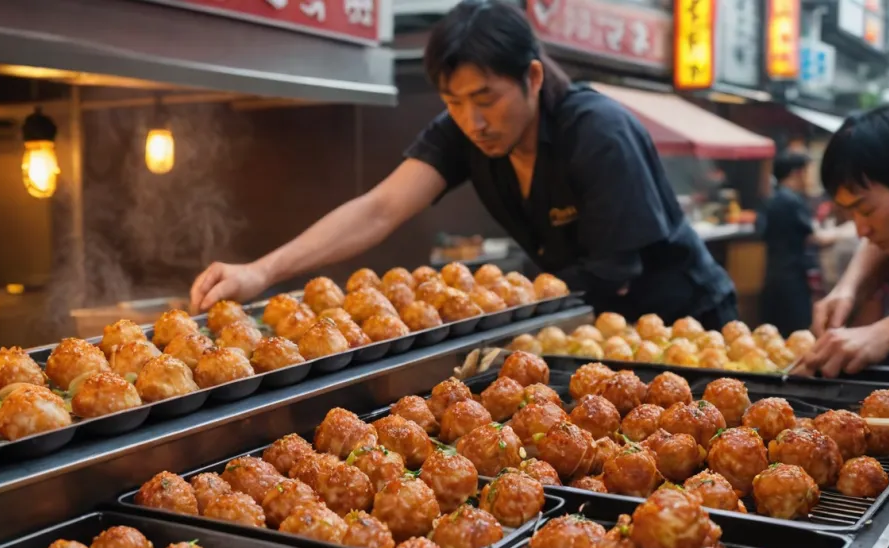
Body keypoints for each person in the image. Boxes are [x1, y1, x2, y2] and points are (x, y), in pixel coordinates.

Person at [189, 0, 737, 327]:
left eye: (486, 98)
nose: (472, 122)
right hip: (584, 326)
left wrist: (496, 305)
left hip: (683, 318)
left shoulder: (597, 132)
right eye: (453, 103)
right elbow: (380, 208)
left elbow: (615, 274)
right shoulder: (465, 133)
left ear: (533, 78)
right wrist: (261, 270)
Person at [798, 104, 889, 377]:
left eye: (866, 211)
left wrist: (880, 334)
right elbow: (881, 241)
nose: (861, 230)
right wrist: (847, 290)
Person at [758, 151, 838, 336]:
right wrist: (849, 230)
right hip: (792, 281)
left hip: (770, 278)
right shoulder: (792, 201)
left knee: (771, 338)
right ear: (797, 173)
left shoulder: (771, 199)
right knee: (798, 337)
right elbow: (818, 238)